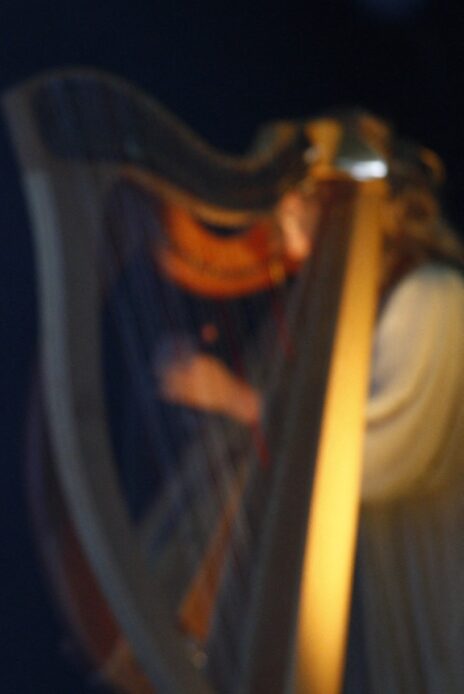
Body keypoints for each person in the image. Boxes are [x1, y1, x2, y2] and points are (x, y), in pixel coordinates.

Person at [157, 131, 464, 692]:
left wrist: (236, 398)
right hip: (383, 576)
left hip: (435, 585)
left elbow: (378, 457)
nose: (289, 249)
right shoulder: (360, 310)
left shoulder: (436, 296)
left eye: (296, 216)